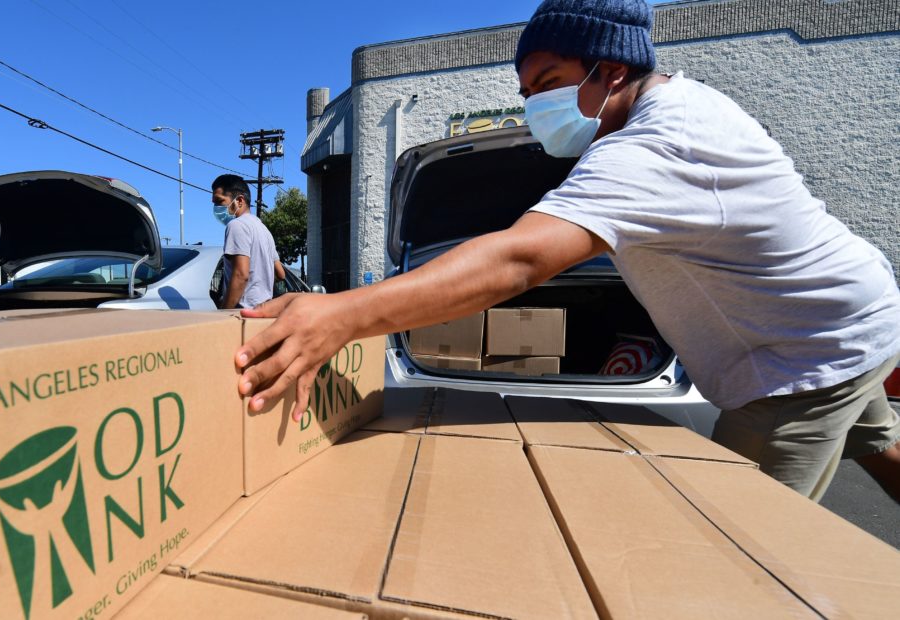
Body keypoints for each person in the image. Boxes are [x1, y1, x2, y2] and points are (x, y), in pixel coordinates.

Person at [234, 0, 900, 502]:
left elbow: (520, 260)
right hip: (850, 315)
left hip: (801, 358)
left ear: (612, 70)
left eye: (548, 81)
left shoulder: (655, 144)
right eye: (527, 93)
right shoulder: (679, 109)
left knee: (738, 548)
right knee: (880, 444)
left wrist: (341, 314)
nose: (535, 105)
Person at [211, 174, 286, 309]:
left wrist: (222, 313)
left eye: (219, 201)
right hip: (263, 311)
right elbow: (281, 274)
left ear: (239, 201)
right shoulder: (264, 230)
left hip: (243, 313)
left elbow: (240, 275)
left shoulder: (236, 226)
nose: (216, 207)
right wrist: (258, 281)